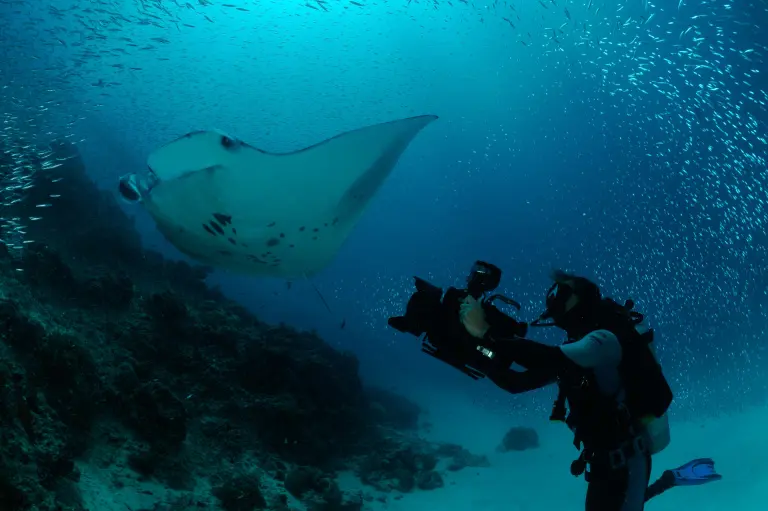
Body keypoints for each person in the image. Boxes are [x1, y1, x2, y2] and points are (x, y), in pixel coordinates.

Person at [459, 270, 721, 511]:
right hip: (602, 465)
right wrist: (474, 349)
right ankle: (668, 480)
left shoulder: (604, 340)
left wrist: (485, 333)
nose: (553, 297)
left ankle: (668, 481)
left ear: (582, 298)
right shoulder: (580, 348)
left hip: (627, 463)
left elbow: (547, 358)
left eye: (561, 292)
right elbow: (515, 383)